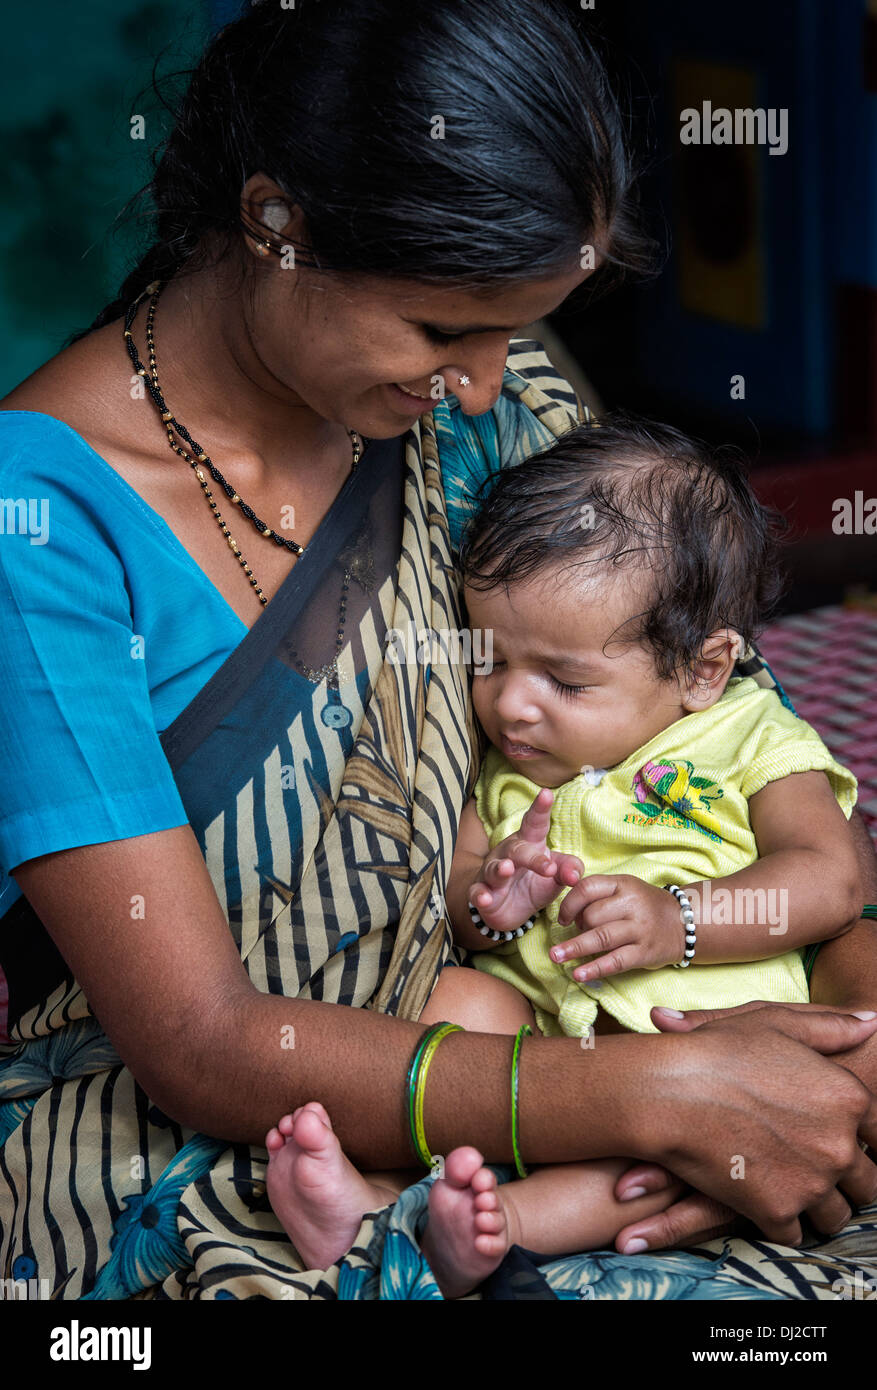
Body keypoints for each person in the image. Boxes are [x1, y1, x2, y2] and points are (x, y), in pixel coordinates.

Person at [1, 0, 876, 1303]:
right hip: (219, 1140)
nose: (478, 384)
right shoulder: (42, 528)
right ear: (276, 221)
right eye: (438, 332)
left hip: (573, 1022)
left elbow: (713, 726)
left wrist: (850, 1040)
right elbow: (200, 1040)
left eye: (507, 331)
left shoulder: (497, 387)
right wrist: (654, 1094)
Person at [261, 415, 865, 1299]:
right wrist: (494, 902)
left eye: (565, 681)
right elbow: (463, 893)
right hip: (544, 1047)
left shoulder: (749, 734)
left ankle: (482, 1232)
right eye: (490, 660)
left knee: (631, 1172)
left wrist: (680, 922)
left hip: (718, 1045)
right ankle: (378, 1201)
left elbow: (831, 878)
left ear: (702, 669)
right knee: (448, 999)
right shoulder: (506, 766)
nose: (511, 705)